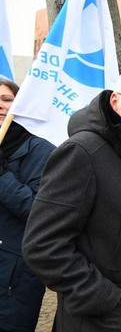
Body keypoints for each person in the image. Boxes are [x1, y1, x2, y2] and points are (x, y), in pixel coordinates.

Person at [22, 67, 121, 332]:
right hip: (101, 321)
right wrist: (103, 298)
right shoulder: (83, 152)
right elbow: (42, 245)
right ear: (116, 102)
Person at [0, 80, 55, 332]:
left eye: (6, 99)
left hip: (14, 277)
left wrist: (2, 177)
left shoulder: (39, 148)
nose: (0, 106)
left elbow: (39, 210)